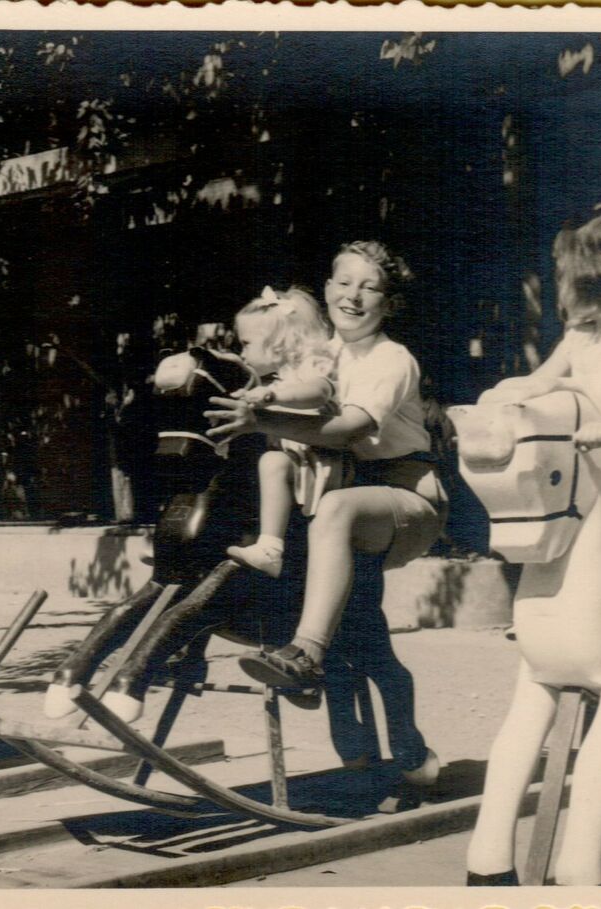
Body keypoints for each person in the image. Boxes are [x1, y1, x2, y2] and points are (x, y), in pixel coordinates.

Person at [206, 240, 444, 785]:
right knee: (365, 635)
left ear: (389, 302)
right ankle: (382, 753)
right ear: (328, 287)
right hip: (333, 502)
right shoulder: (317, 351)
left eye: (369, 286)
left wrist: (262, 422)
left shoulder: (391, 359)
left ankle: (305, 655)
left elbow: (349, 429)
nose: (352, 296)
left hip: (403, 497)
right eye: (342, 282)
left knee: (335, 511)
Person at [481, 205, 601, 648]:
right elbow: (544, 379)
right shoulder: (579, 335)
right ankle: (550, 609)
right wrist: (505, 395)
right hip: (589, 456)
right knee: (553, 514)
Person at [223, 286, 342, 579]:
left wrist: (272, 397)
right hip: (300, 463)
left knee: (271, 462)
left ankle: (270, 550)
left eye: (246, 343)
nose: (242, 352)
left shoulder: (311, 367)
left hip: (322, 460)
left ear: (277, 345)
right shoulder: (275, 381)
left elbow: (318, 392)